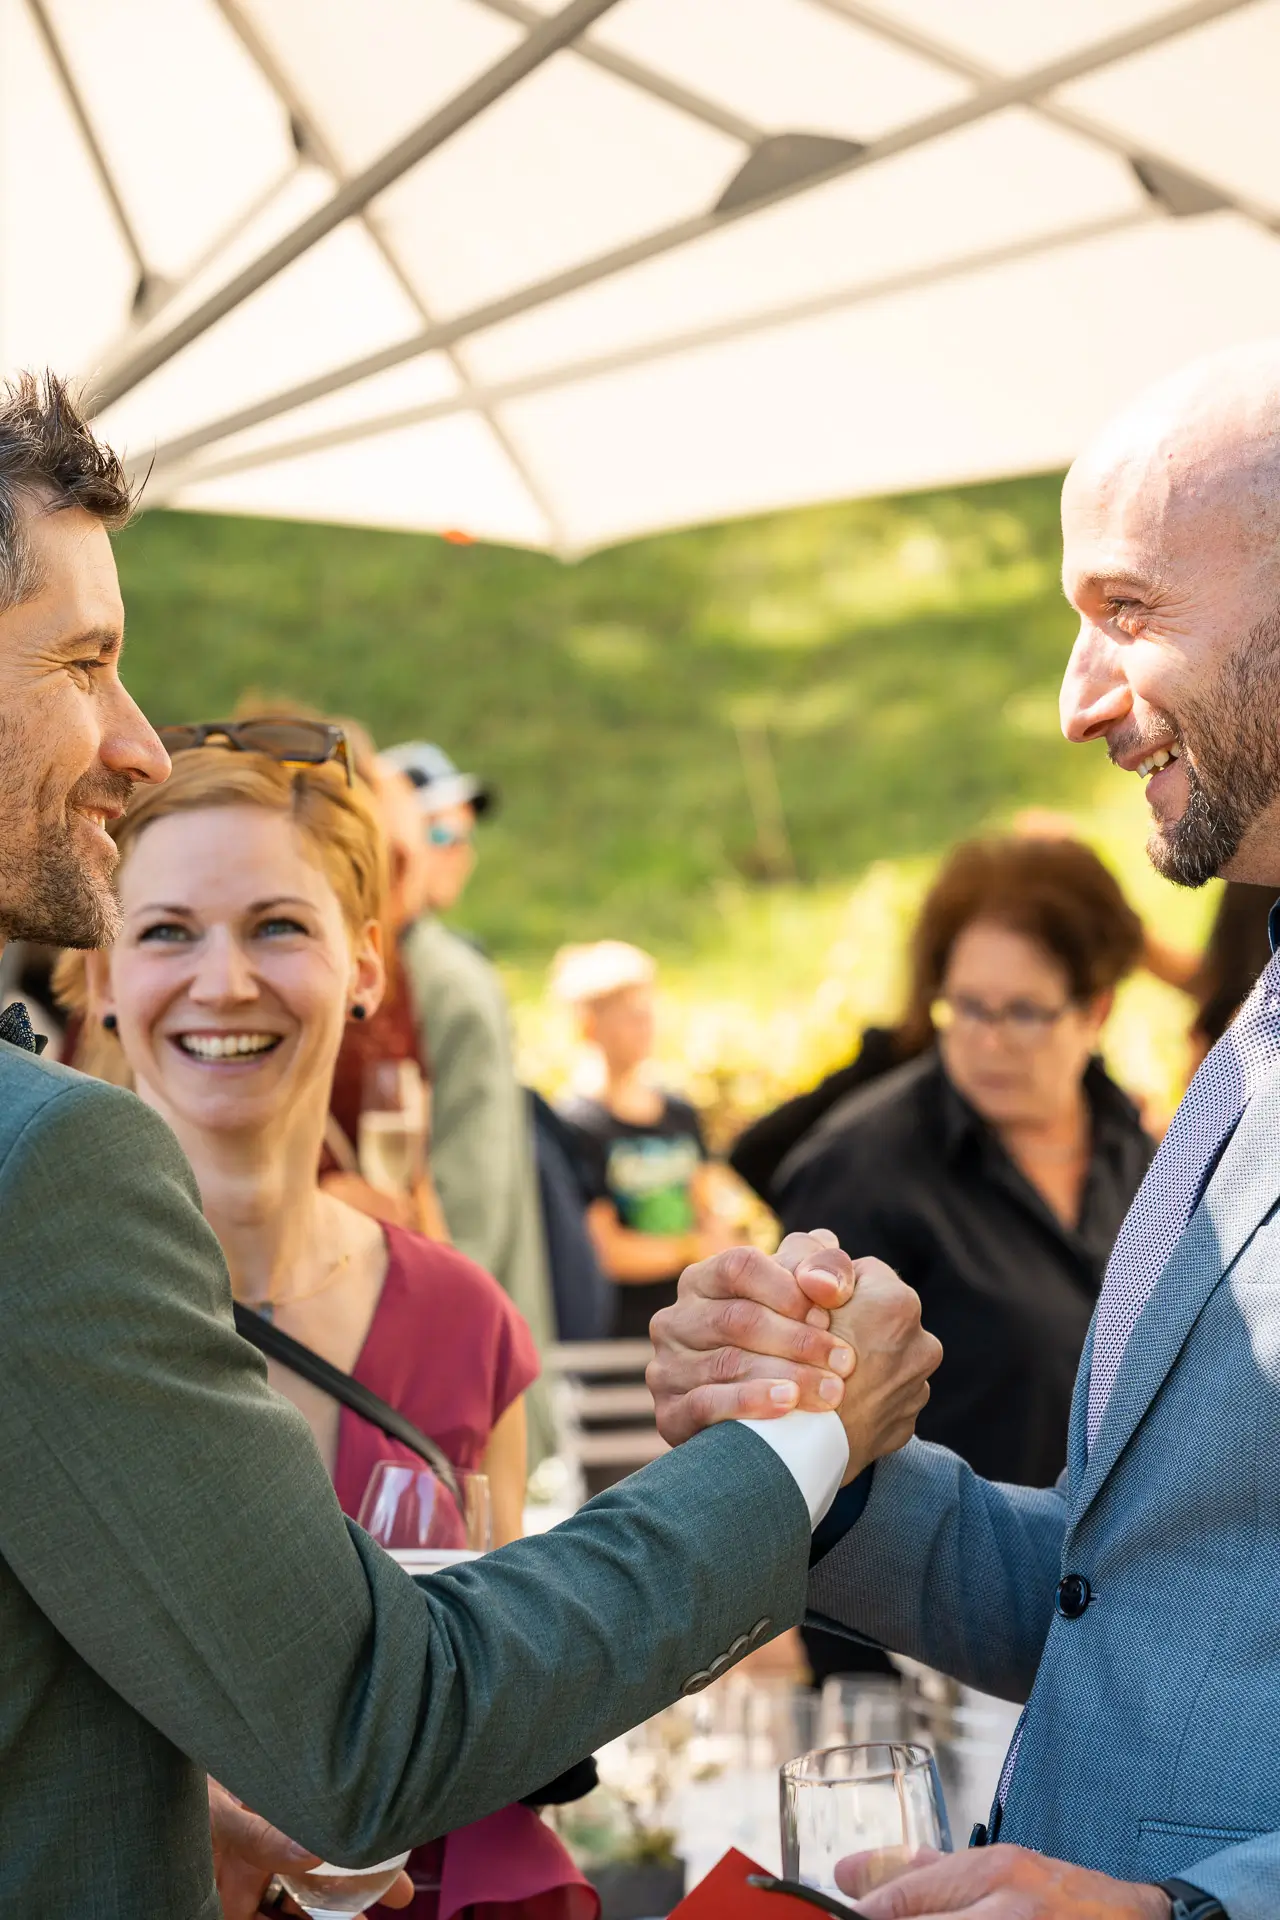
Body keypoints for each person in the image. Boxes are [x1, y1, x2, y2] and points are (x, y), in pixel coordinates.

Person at [0, 371, 941, 1913]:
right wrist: (796, 1451)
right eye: (86, 663)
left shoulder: (443, 1307)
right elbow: (375, 1727)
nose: (135, 744)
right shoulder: (49, 1168)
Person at [650, 342, 1280, 1920]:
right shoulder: (1247, 1031)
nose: (1075, 702)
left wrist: (1186, 1913)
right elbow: (1119, 1594)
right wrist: (819, 1454)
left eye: (1126, 612)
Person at [57, 742, 585, 1917]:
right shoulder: (32, 1309)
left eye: (278, 927)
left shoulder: (460, 1321)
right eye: (166, 932)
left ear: (364, 964)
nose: (224, 981)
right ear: (100, 974)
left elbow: (492, 1696)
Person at [776, 835, 1151, 1490]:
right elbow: (811, 1436)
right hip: (940, 1577)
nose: (988, 1041)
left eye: (1025, 1013)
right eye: (968, 1007)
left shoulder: (1136, 1147)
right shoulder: (861, 1167)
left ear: (1097, 1010)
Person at [382, 739, 558, 1462]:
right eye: (439, 831)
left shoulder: (443, 980)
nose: (459, 850)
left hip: (460, 1386)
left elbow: (469, 1211)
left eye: (466, 835)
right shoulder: (412, 968)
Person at [552, 941, 729, 1340]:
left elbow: (708, 1212)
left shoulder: (681, 1113)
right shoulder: (574, 1126)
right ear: (589, 1026)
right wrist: (688, 1250)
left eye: (649, 1012)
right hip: (618, 1334)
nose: (647, 1025)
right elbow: (603, 1251)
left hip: (694, 1323)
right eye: (631, 1016)